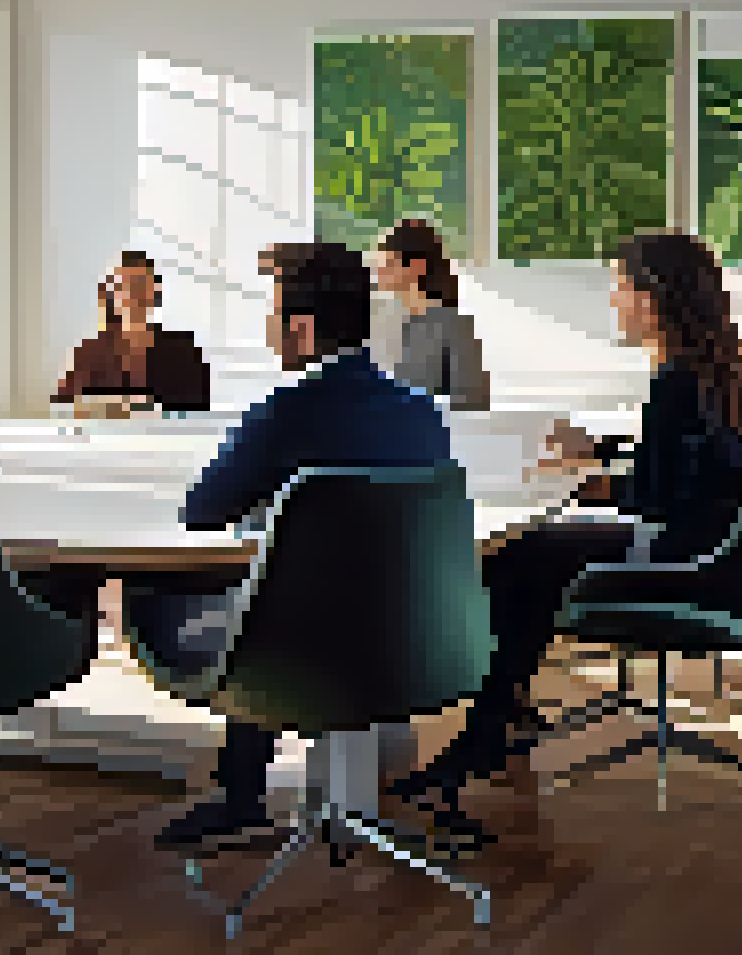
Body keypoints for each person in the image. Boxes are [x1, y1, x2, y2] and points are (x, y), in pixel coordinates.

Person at [26, 242, 452, 851]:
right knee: (280, 585)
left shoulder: (285, 413)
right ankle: (252, 786)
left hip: (300, 643)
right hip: (414, 636)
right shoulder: (420, 413)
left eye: (274, 314)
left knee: (210, 590)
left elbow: (201, 513)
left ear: (301, 329)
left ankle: (241, 794)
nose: (270, 328)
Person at [390, 229, 742, 822]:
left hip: (684, 558)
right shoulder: (709, 369)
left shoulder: (678, 379)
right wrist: (598, 453)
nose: (613, 300)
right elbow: (678, 464)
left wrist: (592, 473)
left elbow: (652, 498)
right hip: (708, 546)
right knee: (531, 554)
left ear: (651, 298)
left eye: (619, 285)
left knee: (519, 556)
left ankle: (484, 730)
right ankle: (496, 721)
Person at [52, 250, 211, 416]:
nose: (133, 293)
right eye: (124, 286)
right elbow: (63, 408)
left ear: (155, 292)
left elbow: (199, 413)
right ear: (112, 294)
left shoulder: (185, 350)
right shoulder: (89, 353)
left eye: (141, 284)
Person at [373, 219, 491, 412]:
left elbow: (473, 405)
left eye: (388, 263)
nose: (379, 271)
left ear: (416, 267)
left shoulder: (455, 327)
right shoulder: (382, 322)